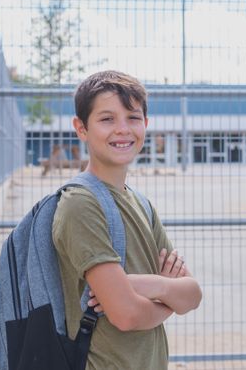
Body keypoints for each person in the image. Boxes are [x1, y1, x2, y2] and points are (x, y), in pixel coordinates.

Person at [52, 70, 202, 370]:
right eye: (107, 119)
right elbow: (126, 315)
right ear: (81, 128)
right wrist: (166, 294)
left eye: (132, 118)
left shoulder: (141, 203)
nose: (122, 129)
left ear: (145, 124)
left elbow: (192, 295)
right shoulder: (80, 205)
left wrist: (140, 285)